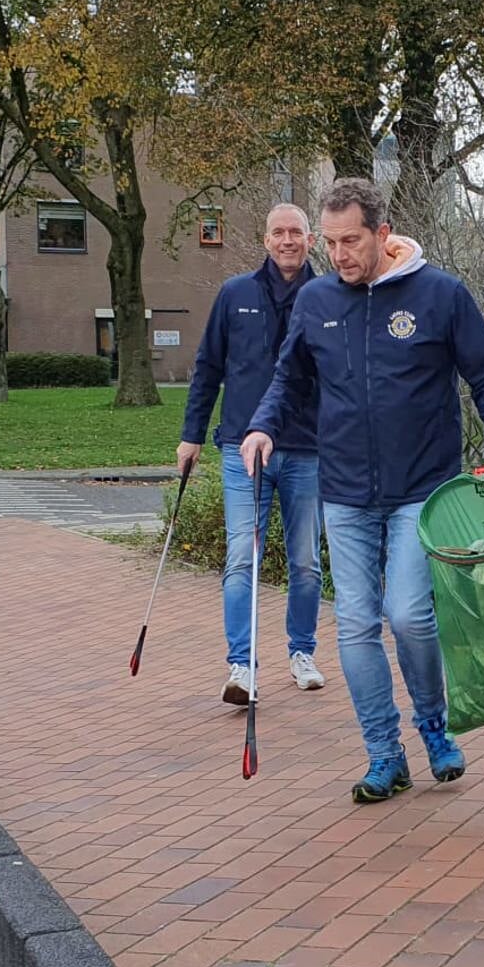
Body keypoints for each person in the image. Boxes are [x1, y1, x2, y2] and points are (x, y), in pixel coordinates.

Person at [242, 178, 484, 803]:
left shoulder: (440, 295)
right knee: (356, 627)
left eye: (352, 241)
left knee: (410, 615)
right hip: (343, 490)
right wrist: (263, 425)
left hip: (421, 488)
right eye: (332, 242)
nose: (339, 255)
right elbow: (288, 378)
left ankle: (434, 726)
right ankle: (384, 755)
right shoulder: (316, 300)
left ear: (382, 234)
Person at [177, 204, 326, 707]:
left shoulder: (328, 295)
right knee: (243, 557)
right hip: (242, 448)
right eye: (279, 233)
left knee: (305, 562)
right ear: (265, 239)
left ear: (311, 240)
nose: (288, 241)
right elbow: (208, 366)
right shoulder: (235, 294)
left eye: (297, 233)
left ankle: (302, 651)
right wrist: (191, 434)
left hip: (308, 447)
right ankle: (241, 666)